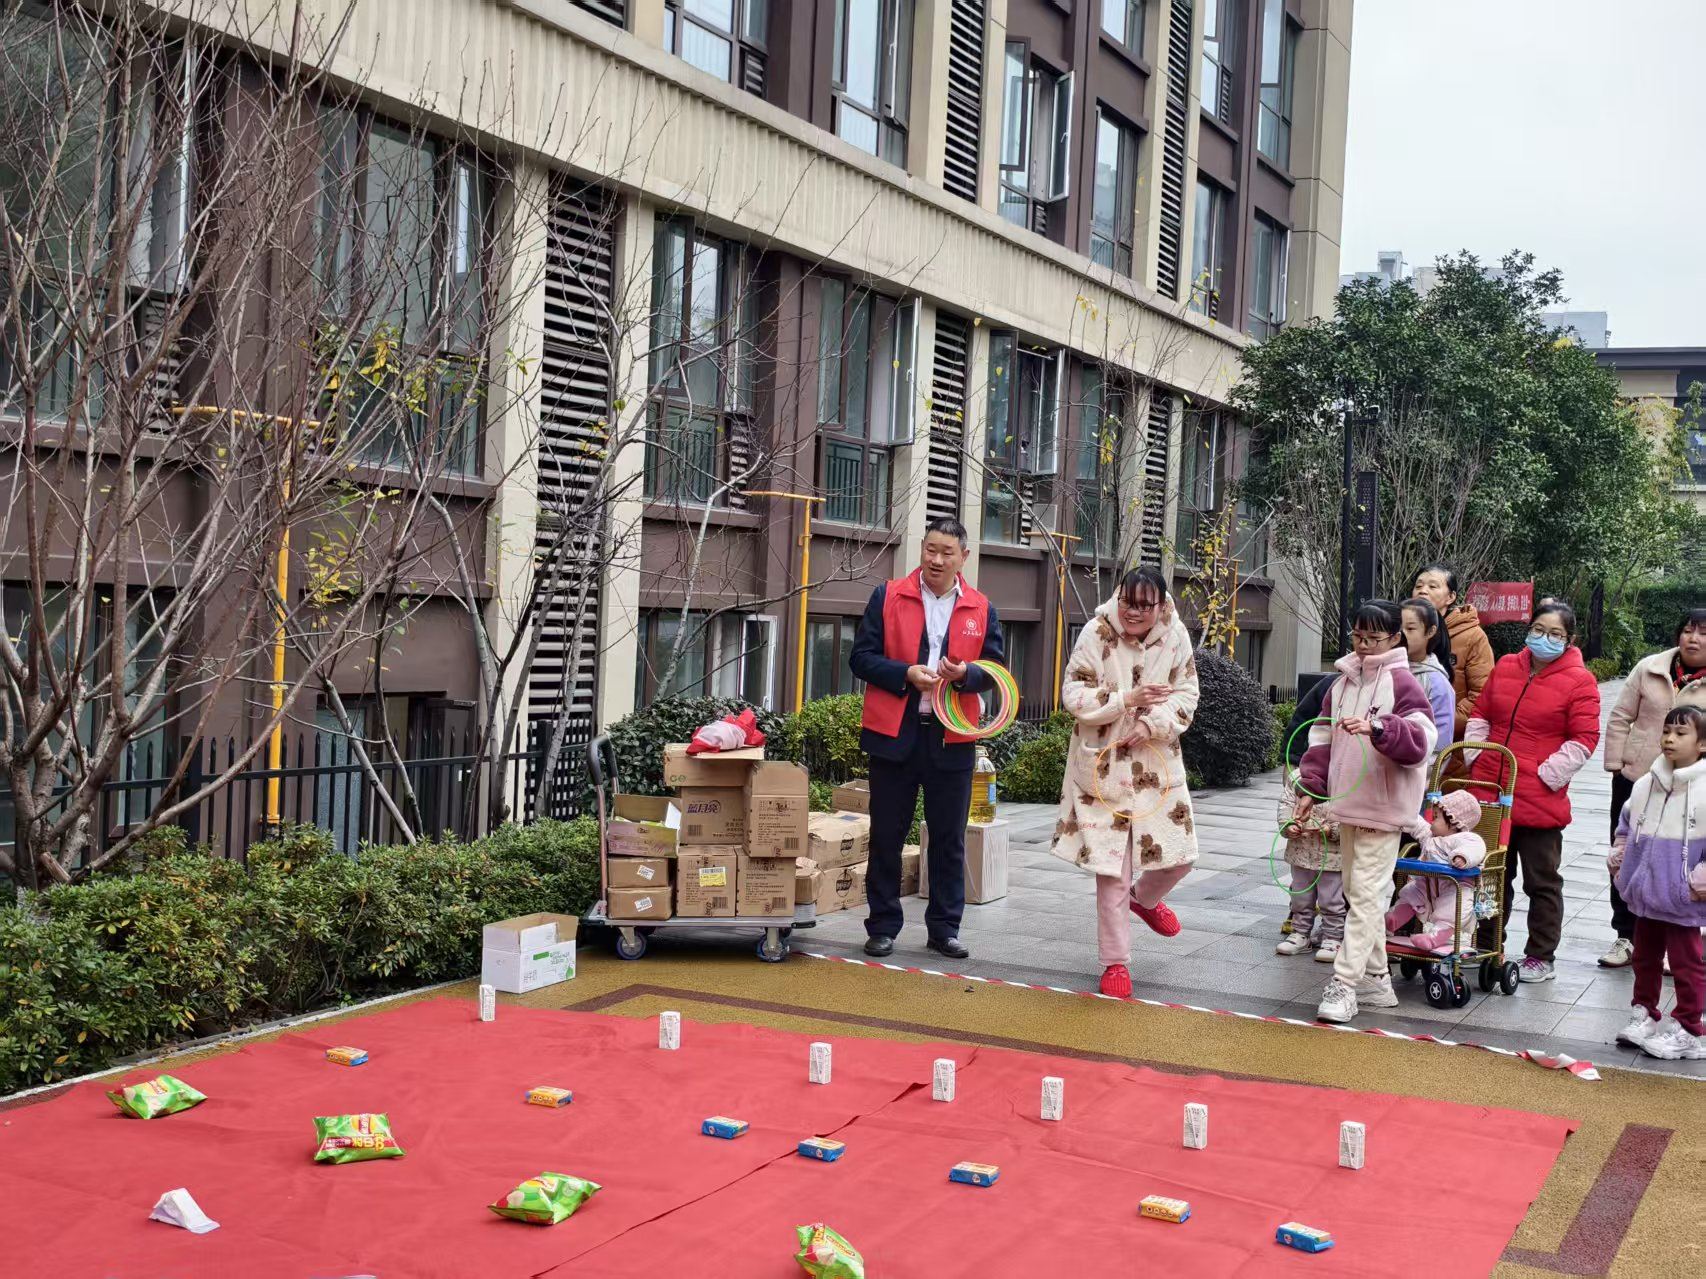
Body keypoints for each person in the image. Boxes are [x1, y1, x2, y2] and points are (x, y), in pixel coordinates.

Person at [851, 517, 1004, 960]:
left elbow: (993, 669)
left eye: (946, 553)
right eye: (930, 550)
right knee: (887, 836)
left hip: (952, 738)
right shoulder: (888, 595)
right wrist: (905, 674)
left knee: (949, 839)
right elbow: (861, 658)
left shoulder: (981, 607)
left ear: (963, 557)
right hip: (893, 736)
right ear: (921, 549)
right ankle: (882, 926)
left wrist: (966, 674)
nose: (936, 560)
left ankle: (944, 929)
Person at [1049, 568, 1199, 999]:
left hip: (1157, 765)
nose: (1133, 612)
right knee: (1112, 869)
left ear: (1161, 606)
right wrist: (1125, 701)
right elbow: (1072, 693)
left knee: (1180, 856)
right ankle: (1115, 963)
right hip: (1103, 767)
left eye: (1144, 606)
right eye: (1128, 602)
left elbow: (1187, 692)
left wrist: (1152, 724)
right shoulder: (1096, 632)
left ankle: (1144, 899)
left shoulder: (1175, 635)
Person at [1297, 600, 1439, 1024]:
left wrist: (1379, 728)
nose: (1363, 645)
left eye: (1373, 638)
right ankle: (1376, 980)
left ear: (1394, 638)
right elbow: (1321, 739)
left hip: (1385, 808)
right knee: (1361, 895)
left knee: (1365, 896)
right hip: (1347, 805)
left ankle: (1344, 983)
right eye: (1358, 636)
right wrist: (1311, 788)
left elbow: (1423, 741)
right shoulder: (1341, 684)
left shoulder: (1403, 682)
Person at [1465, 601, 1601, 982]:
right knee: (1490, 875)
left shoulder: (1580, 681)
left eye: (1555, 634)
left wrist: (1546, 775)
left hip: (1539, 798)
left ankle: (1541, 955)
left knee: (1541, 881)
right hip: (1492, 792)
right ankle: (1487, 943)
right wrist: (1477, 756)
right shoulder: (1507, 665)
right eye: (1539, 630)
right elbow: (1481, 714)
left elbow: (1585, 738)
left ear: (1570, 639)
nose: (1545, 638)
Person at [1599, 607, 1706, 967]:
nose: (1694, 639)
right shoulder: (1650, 668)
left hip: (1692, 789)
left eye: (1703, 633)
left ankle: (1681, 939)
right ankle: (1625, 935)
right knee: (1626, 854)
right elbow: (1620, 716)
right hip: (1638, 782)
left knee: (1681, 860)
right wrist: (1618, 766)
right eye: (1688, 630)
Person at [1607, 705, 1706, 1061]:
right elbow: (1625, 825)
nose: (1669, 739)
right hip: (1646, 894)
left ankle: (1690, 1030)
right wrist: (1620, 858)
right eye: (1666, 731)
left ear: (1703, 744)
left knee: (1686, 964)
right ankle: (1644, 1013)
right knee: (1644, 958)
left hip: (1683, 899)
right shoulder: (1645, 783)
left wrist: (1696, 882)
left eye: (1681, 733)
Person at [1384, 789, 1487, 955]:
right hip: (1427, 884)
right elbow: (1416, 825)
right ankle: (1392, 919)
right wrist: (1404, 812)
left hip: (1455, 887)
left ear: (1454, 821)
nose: (1432, 821)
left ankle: (1434, 937)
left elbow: (1476, 848)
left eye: (1437, 817)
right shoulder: (1430, 836)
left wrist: (1462, 856)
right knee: (1409, 895)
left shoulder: (1467, 839)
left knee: (1452, 909)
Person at [1410, 564, 1494, 754]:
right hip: (1403, 737)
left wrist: (1442, 723)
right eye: (1418, 586)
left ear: (1451, 597)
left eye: (1432, 586)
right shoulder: (1401, 631)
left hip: (1450, 747)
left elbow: (1481, 694)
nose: (1423, 591)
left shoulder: (1473, 636)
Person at [1400, 597, 1457, 777]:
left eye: (1410, 629)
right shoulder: (1385, 669)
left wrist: (1412, 780)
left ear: (1430, 631)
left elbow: (1439, 749)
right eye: (1398, 628)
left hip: (1410, 780)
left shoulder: (1437, 683)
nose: (1402, 635)